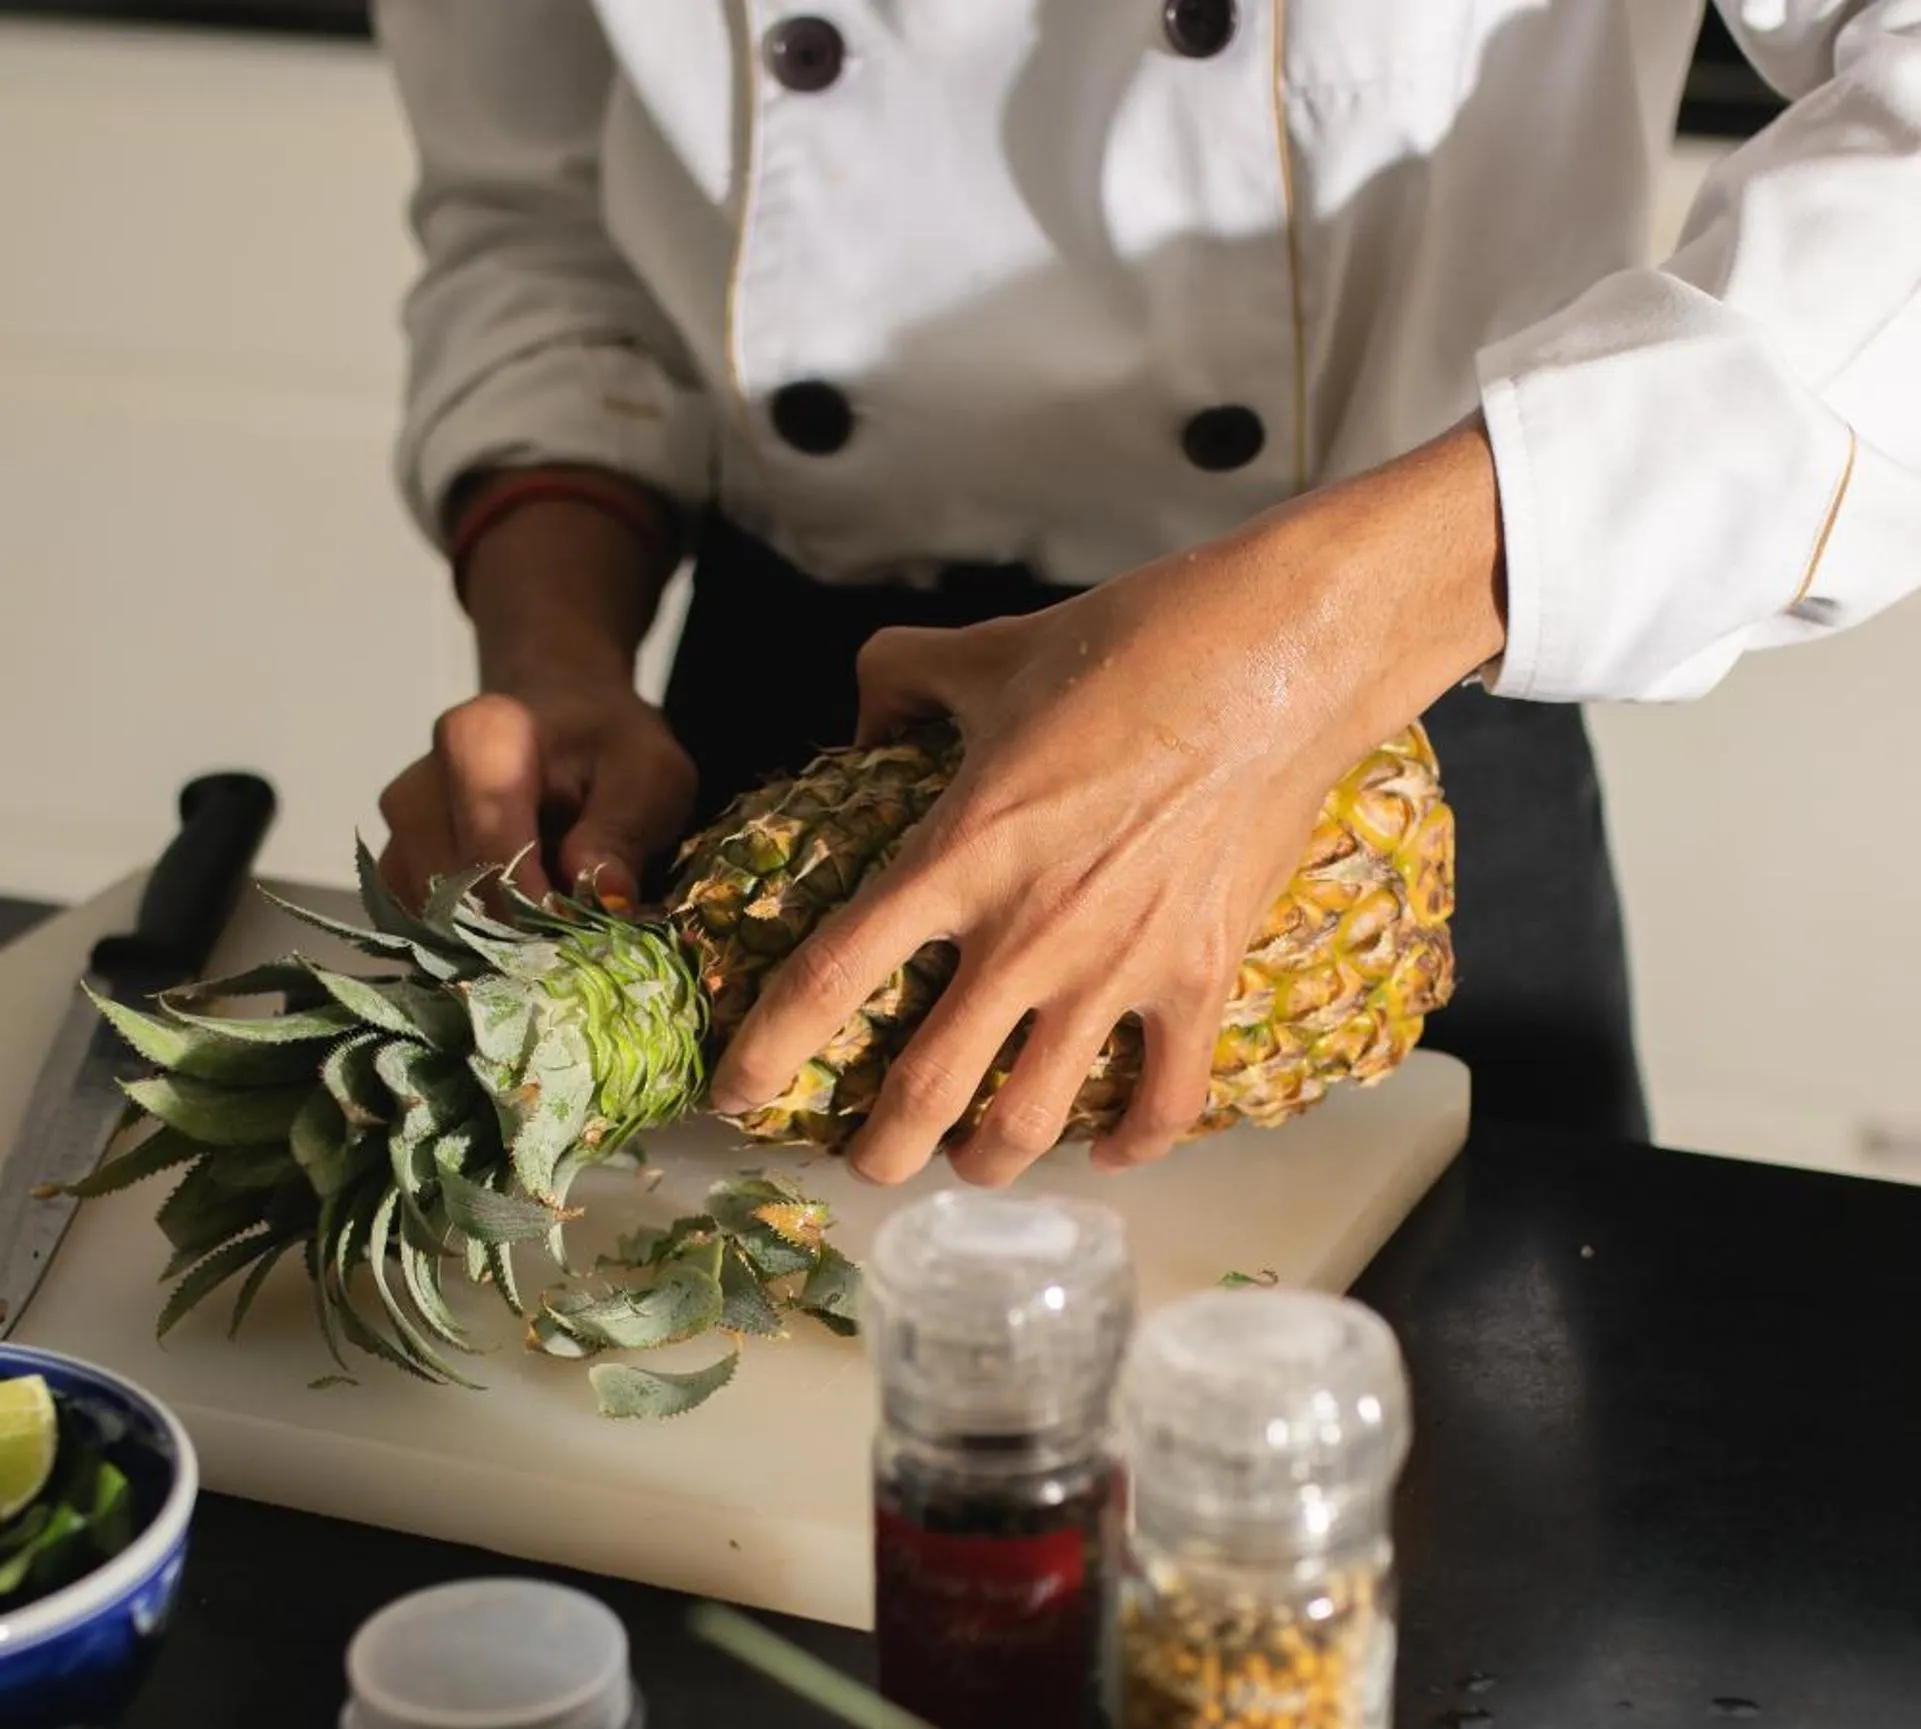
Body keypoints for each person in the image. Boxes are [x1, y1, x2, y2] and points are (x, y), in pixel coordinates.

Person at [372, 3, 1921, 1182]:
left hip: (1396, 688)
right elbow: (545, 210)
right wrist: (558, 652)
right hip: (790, 736)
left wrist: (1316, 647)